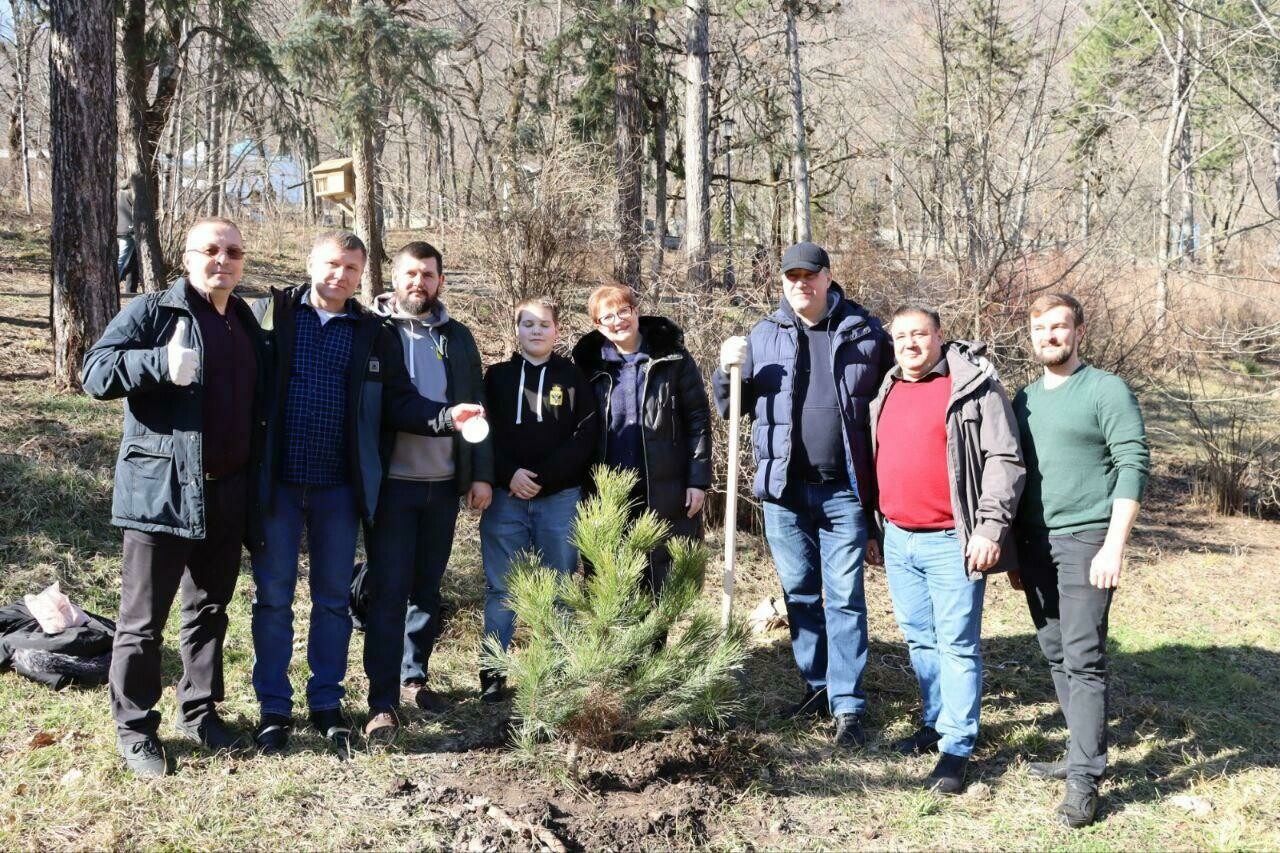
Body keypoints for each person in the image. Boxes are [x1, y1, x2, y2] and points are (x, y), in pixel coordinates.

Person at [249, 231, 483, 758]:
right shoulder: (273, 316)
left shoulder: (369, 331)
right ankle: (273, 709)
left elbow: (399, 402)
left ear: (361, 276)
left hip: (340, 487)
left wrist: (446, 418)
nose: (340, 275)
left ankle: (327, 706)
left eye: (351, 268)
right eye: (332, 264)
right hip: (278, 486)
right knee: (274, 600)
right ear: (312, 263)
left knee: (333, 602)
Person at [83, 217, 269, 776]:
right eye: (210, 250)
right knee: (142, 622)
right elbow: (94, 372)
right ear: (187, 257)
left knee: (209, 609)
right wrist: (157, 364)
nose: (223, 260)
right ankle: (135, 728)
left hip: (227, 491)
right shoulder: (152, 312)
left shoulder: (244, 321)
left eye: (233, 251)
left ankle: (200, 709)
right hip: (162, 492)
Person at [715, 241, 892, 748]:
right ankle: (817, 687)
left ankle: (849, 705)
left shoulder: (865, 332)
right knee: (800, 594)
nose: (801, 284)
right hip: (784, 491)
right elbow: (734, 407)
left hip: (844, 491)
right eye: (792, 277)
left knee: (845, 598)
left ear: (828, 276)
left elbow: (893, 396)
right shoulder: (764, 334)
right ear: (783, 282)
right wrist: (725, 373)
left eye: (810, 275)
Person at [869, 305, 1024, 793]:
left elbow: (1005, 458)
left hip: (951, 541)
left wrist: (989, 529)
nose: (911, 344)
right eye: (901, 336)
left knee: (956, 643)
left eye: (920, 334)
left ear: (939, 336)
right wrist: (877, 528)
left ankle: (956, 748)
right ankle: (935, 721)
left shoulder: (973, 386)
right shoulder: (887, 387)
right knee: (919, 638)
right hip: (898, 537)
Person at [1011, 292, 1149, 828]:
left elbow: (1133, 463)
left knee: (1085, 657)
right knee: (1055, 653)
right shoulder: (1024, 399)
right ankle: (1078, 753)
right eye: (1040, 327)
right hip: (1035, 544)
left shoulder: (1105, 390)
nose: (1049, 336)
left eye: (1059, 327)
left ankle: (1085, 778)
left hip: (1089, 539)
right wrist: (1016, 551)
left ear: (1079, 333)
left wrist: (1115, 544)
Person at [361, 241, 494, 740]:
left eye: (429, 275)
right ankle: (382, 700)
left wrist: (480, 473)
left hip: (442, 485)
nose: (419, 283)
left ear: (440, 281)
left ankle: (414, 677)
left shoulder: (457, 337)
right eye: (411, 274)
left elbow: (476, 404)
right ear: (394, 278)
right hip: (391, 485)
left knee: (427, 590)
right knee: (389, 592)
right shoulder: (374, 333)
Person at [476, 297, 597, 701]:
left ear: (557, 330)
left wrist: (544, 479)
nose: (536, 331)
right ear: (516, 330)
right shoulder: (496, 377)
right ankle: (494, 672)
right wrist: (507, 473)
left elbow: (586, 436)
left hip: (558, 499)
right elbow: (481, 432)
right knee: (501, 588)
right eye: (527, 324)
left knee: (561, 584)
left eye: (544, 324)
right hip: (505, 497)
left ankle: (558, 667)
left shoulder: (573, 377)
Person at [571, 284, 712, 594]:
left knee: (660, 578)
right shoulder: (588, 368)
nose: (618, 321)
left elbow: (697, 419)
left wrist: (698, 481)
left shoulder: (672, 359)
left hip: (664, 488)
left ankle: (656, 644)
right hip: (605, 491)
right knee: (609, 582)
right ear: (597, 325)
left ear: (636, 312)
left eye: (624, 311)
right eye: (607, 316)